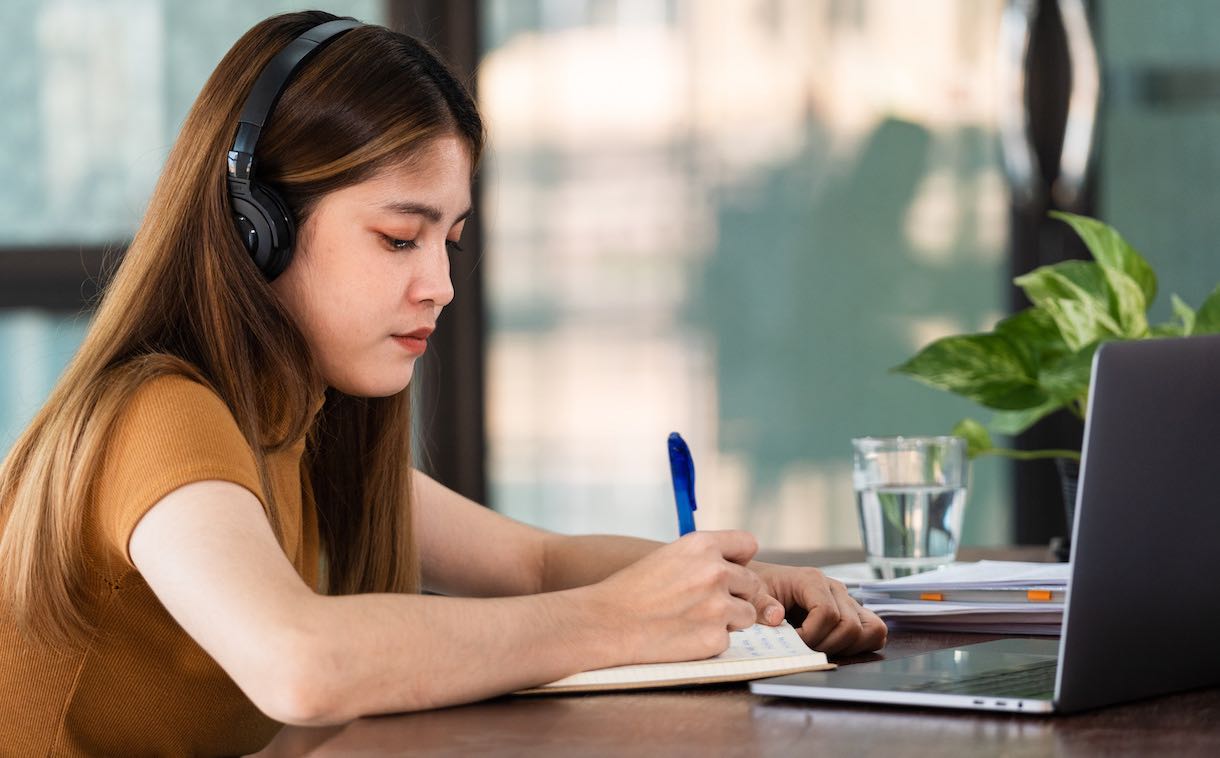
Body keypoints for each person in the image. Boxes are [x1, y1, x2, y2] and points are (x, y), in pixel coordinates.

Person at [0, 10, 886, 756]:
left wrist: (749, 586)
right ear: (253, 227)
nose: (441, 285)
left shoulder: (296, 422)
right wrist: (621, 619)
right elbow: (300, 663)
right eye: (398, 237)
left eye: (450, 241)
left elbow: (531, 562)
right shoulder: (159, 414)